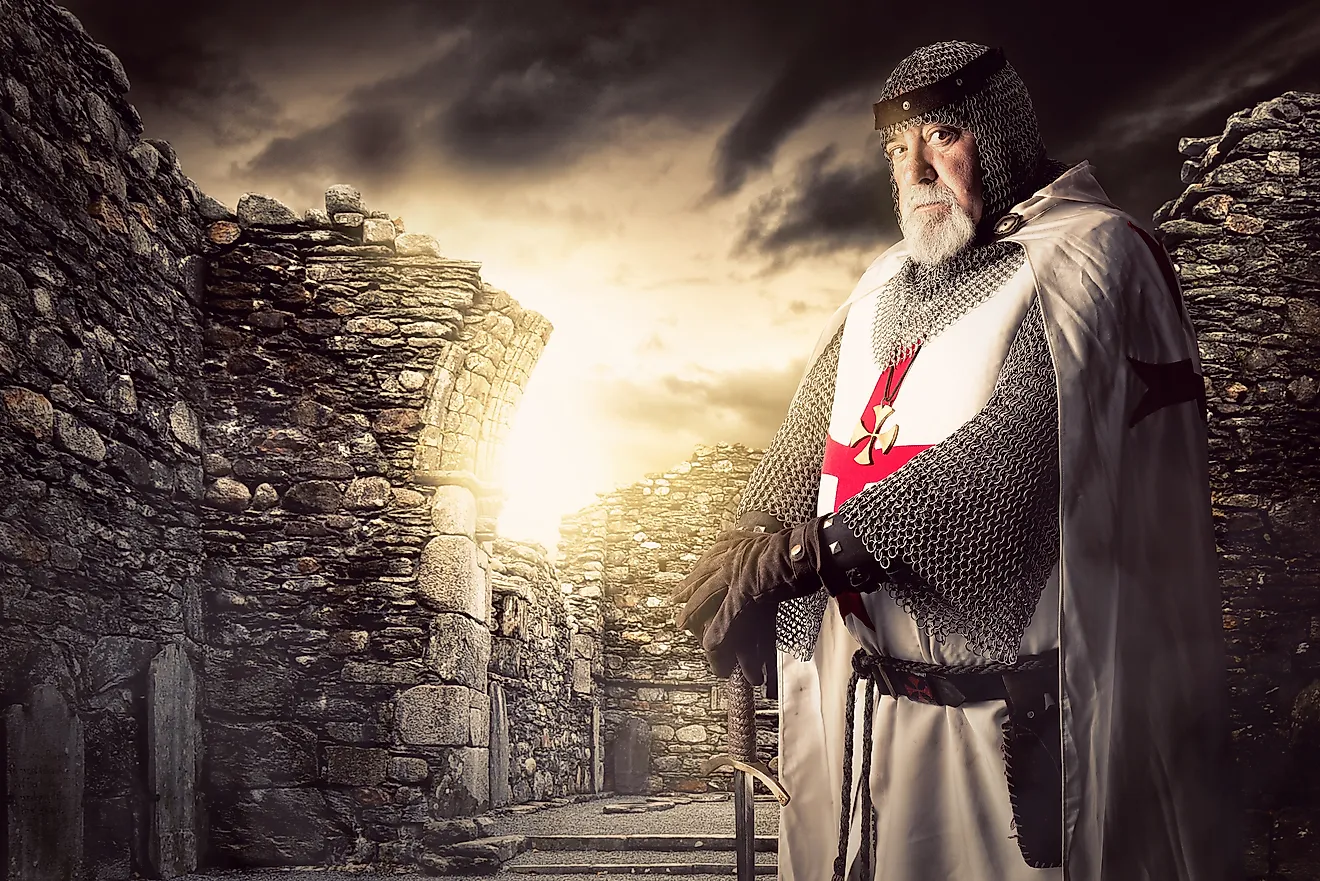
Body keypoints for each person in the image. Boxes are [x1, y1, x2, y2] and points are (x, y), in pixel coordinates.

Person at [673, 40, 1233, 881]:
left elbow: (1017, 461)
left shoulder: (1092, 258)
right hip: (877, 719)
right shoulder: (881, 287)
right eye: (898, 150)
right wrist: (751, 537)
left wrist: (810, 553)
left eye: (941, 135)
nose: (917, 169)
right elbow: (806, 441)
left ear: (998, 136)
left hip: (1014, 730)